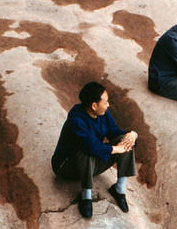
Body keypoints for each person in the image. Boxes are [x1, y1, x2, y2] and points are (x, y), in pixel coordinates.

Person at [51, 81, 138, 218]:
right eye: (106, 102)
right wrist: (116, 149)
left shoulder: (103, 113)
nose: (108, 105)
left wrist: (132, 135)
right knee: (86, 149)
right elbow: (91, 146)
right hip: (67, 167)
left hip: (90, 165)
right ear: (94, 105)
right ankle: (86, 196)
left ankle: (119, 189)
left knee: (125, 141)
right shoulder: (76, 119)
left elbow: (115, 132)